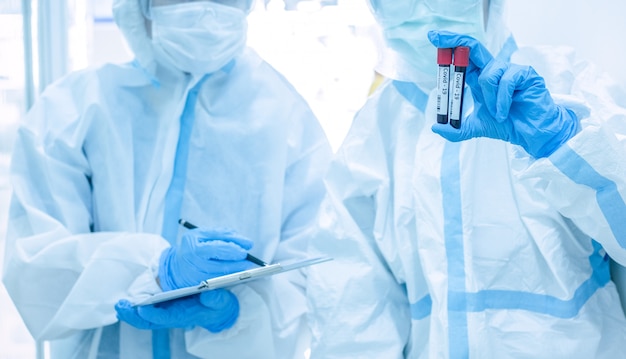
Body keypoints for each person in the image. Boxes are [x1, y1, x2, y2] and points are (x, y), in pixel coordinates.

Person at [2, 0, 332, 357]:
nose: (206, 9)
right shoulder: (73, 111)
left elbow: (313, 279)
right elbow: (35, 268)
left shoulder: (287, 119)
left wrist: (237, 316)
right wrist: (156, 272)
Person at [306, 0, 626, 357]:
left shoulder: (567, 82)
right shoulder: (374, 131)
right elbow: (351, 311)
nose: (423, 9)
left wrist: (564, 145)